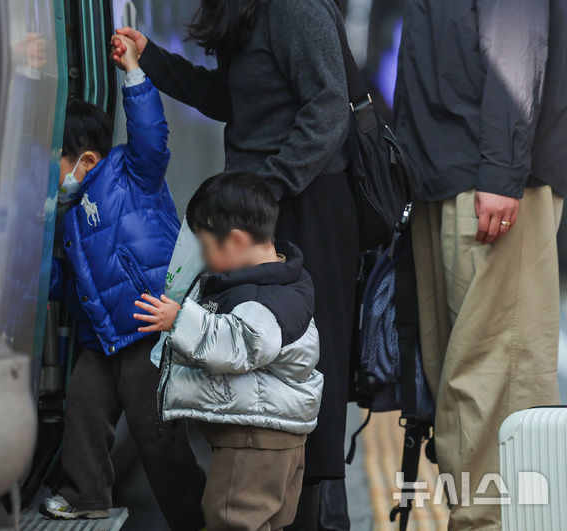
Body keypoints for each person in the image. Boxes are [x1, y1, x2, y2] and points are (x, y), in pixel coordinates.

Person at [112, 1, 357, 527]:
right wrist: (153, 60)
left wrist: (268, 187)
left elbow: (329, 105)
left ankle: (315, 511)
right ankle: (267, 497)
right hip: (262, 203)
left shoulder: (294, 9)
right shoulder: (245, 12)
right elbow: (233, 99)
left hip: (304, 201)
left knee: (306, 356)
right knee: (256, 352)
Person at [394, 0, 567, 528]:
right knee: (457, 377)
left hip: (488, 179)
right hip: (447, 175)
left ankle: (497, 523)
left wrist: (501, 170)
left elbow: (517, 40)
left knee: (496, 378)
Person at [39, 36, 205, 528]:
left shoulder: (132, 174)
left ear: (87, 160)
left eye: (56, 161)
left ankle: (194, 518)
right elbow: (71, 284)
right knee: (84, 412)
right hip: (103, 340)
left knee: (158, 437)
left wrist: (134, 74)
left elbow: (150, 133)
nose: (52, 176)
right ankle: (85, 494)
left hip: (147, 330)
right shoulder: (67, 219)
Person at [134, 172, 324, 530]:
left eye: (206, 247)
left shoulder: (261, 299)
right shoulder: (280, 280)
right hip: (274, 434)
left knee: (231, 519)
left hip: (255, 440)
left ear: (235, 241)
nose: (203, 258)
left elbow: (240, 345)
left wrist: (179, 321)